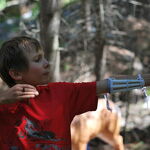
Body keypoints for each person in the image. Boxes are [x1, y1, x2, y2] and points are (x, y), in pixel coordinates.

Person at [0, 36, 150, 150]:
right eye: (38, 60)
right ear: (16, 74)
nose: (47, 63)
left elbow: (108, 84)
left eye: (44, 57)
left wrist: (145, 80)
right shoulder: (3, 106)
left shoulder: (61, 93)